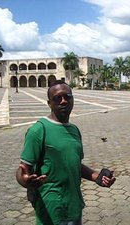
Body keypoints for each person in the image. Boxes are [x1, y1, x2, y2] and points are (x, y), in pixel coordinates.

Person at [16, 80, 116, 225]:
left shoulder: (74, 130)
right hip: (51, 208)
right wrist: (24, 181)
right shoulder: (38, 130)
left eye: (67, 96)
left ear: (73, 100)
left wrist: (97, 177)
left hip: (74, 205)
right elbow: (23, 169)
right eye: (57, 98)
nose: (63, 101)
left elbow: (75, 164)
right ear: (49, 103)